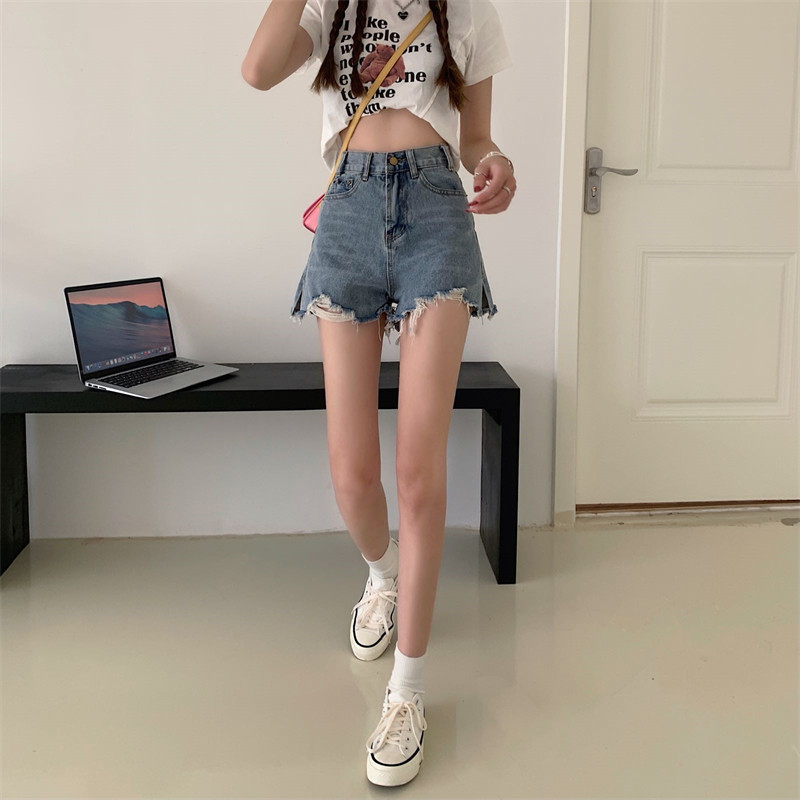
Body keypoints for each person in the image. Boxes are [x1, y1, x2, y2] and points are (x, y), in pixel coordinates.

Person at [241, 0, 515, 785]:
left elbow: (476, 137)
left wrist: (495, 161)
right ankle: (383, 575)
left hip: (436, 214)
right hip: (349, 214)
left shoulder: (467, 10)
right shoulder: (329, 7)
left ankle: (408, 692)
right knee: (351, 474)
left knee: (419, 474)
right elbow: (258, 70)